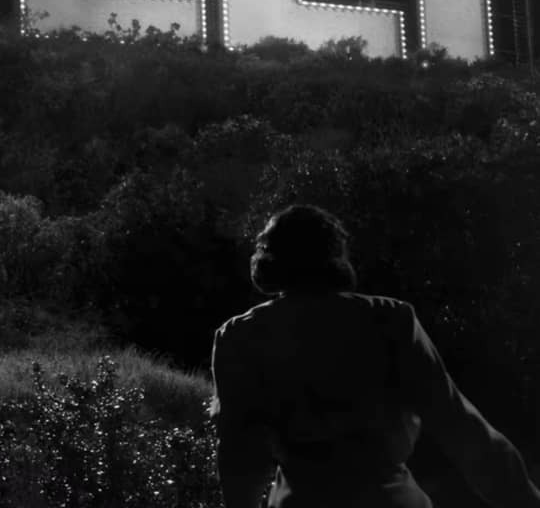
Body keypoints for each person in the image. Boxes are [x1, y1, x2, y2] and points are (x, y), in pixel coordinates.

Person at [209, 204, 540, 508]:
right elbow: (461, 428)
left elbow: (240, 456)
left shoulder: (240, 336)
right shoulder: (391, 320)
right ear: (335, 255)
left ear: (268, 258)